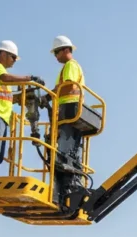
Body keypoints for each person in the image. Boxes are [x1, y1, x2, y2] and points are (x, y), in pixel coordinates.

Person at [0, 41, 44, 177]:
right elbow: (5, 78)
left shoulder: (3, 77)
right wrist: (29, 79)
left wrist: (23, 97)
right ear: (2, 54)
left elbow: (6, 97)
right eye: (13, 57)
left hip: (1, 117)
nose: (14, 61)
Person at [50, 35, 85, 169]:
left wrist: (49, 96)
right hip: (74, 107)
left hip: (69, 106)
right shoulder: (73, 66)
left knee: (65, 137)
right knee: (73, 142)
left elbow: (68, 85)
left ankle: (64, 164)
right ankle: (72, 165)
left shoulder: (70, 65)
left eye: (56, 52)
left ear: (65, 50)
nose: (55, 56)